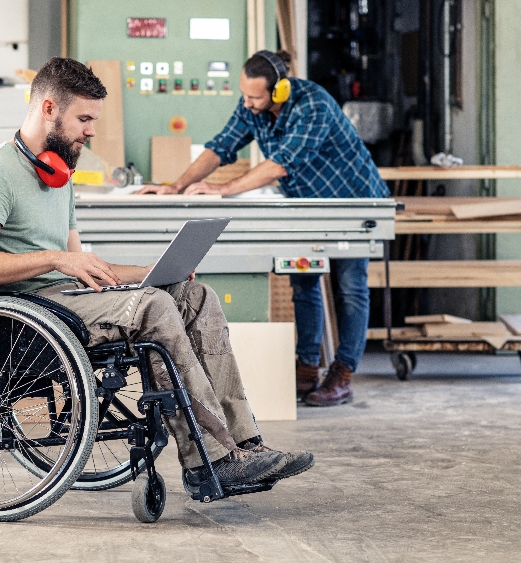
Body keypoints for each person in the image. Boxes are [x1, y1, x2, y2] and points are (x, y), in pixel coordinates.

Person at [0, 57, 313, 490]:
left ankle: (246, 443)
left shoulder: (58, 176)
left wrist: (148, 272)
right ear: (48, 108)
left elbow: (82, 266)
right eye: (83, 119)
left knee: (195, 297)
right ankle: (208, 461)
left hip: (73, 298)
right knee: (156, 307)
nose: (90, 130)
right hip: (31, 312)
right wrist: (56, 259)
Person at [138, 50, 390, 407]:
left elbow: (279, 165)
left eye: (255, 96)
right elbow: (221, 146)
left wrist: (222, 189)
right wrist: (176, 186)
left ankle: (343, 373)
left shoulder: (312, 105)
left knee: (350, 288)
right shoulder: (252, 106)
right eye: (244, 94)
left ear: (280, 90)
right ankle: (306, 369)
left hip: (351, 201)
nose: (247, 103)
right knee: (303, 284)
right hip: (306, 205)